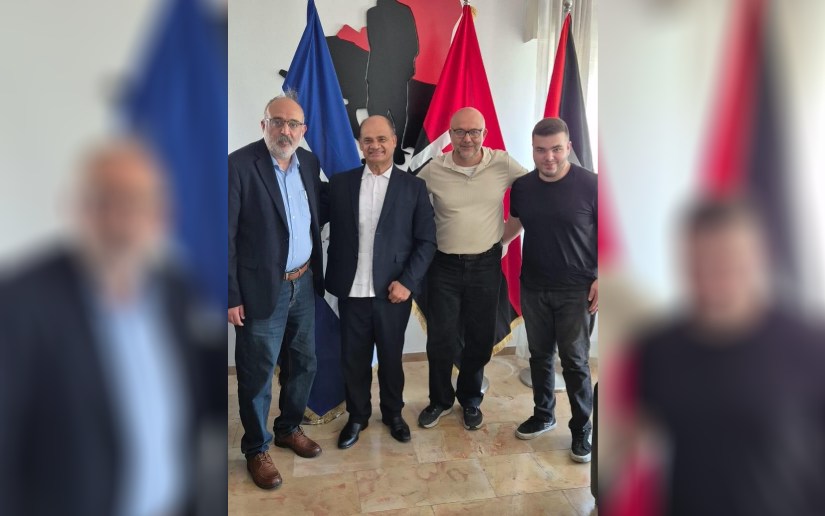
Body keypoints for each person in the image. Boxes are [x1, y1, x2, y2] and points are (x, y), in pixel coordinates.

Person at [0, 139, 224, 516]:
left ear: (161, 216)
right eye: (105, 200)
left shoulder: (174, 290)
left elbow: (196, 398)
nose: (120, 219)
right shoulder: (18, 307)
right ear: (76, 208)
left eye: (137, 202)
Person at [630, 198, 825, 516]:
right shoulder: (657, 348)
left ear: (759, 258)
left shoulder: (810, 345)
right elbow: (639, 442)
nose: (715, 273)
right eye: (703, 260)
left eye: (729, 259)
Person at [228, 93, 328, 490]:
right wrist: (230, 295)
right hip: (258, 290)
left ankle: (288, 428)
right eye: (277, 122)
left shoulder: (310, 164)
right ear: (264, 124)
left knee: (304, 363)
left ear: (303, 130)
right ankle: (257, 448)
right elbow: (223, 237)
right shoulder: (238, 166)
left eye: (293, 124)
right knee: (257, 373)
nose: (285, 130)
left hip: (303, 282)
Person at [326, 115, 436, 448]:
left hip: (393, 292)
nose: (375, 146)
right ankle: (357, 417)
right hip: (351, 290)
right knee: (353, 361)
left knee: (391, 359)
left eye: (382, 139)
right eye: (368, 140)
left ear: (394, 141)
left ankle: (393, 414)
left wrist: (408, 282)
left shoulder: (413, 187)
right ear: (360, 144)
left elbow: (426, 241)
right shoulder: (340, 184)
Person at [416, 107, 528, 431]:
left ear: (484, 134)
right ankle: (439, 400)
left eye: (474, 132)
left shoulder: (502, 163)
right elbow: (407, 204)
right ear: (450, 134)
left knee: (480, 338)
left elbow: (534, 192)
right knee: (441, 339)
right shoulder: (434, 169)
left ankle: (470, 399)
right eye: (460, 132)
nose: (467, 138)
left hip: (485, 266)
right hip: (444, 267)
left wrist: (505, 239)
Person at [509, 117, 598, 464]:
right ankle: (544, 415)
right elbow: (515, 225)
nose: (549, 157)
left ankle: (581, 428)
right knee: (540, 356)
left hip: (577, 291)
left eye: (556, 149)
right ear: (532, 150)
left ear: (569, 148)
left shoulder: (592, 185)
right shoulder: (523, 187)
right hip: (533, 286)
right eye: (541, 150)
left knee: (574, 362)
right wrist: (487, 247)